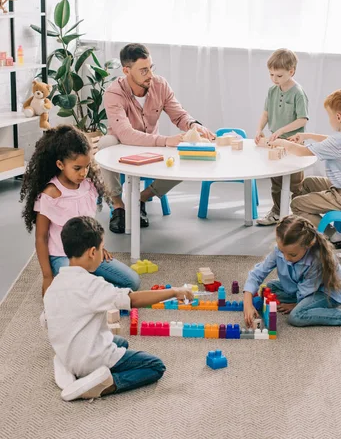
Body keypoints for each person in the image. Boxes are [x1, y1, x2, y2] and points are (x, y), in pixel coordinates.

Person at [43, 216, 194, 401]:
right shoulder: (92, 285)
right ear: (92, 252)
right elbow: (132, 299)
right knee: (155, 366)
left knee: (121, 342)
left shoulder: (55, 285)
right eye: (102, 247)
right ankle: (103, 385)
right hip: (90, 359)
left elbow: (46, 321)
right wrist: (173, 292)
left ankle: (67, 365)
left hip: (68, 352)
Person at [98, 43, 215, 233]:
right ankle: (118, 206)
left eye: (151, 68)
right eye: (143, 70)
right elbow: (125, 134)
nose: (150, 75)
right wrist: (166, 141)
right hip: (121, 143)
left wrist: (194, 125)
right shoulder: (114, 93)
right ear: (126, 70)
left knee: (185, 155)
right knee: (105, 143)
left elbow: (179, 115)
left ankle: (140, 199)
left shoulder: (160, 85)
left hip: (151, 144)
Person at [20, 125, 140, 296]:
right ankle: (89, 287)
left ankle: (92, 285)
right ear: (60, 164)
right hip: (63, 257)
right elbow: (41, 237)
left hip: (89, 253)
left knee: (132, 282)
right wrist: (47, 276)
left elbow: (90, 225)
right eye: (77, 168)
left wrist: (98, 247)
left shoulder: (89, 186)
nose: (83, 173)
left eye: (87, 167)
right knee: (75, 293)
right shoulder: (51, 195)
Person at [270, 89, 341, 252]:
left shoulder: (339, 142)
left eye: (329, 116)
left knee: (296, 204)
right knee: (308, 183)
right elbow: (331, 141)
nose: (329, 120)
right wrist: (307, 136)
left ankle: (336, 239)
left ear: (338, 117)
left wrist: (281, 142)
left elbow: (302, 152)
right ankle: (303, 226)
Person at [243, 215, 341, 330]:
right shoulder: (280, 250)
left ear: (308, 245)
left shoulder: (316, 259)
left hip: (327, 292)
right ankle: (303, 304)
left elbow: (307, 290)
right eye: (282, 252)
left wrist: (296, 305)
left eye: (292, 254)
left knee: (296, 316)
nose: (286, 258)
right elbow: (257, 273)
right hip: (303, 287)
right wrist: (247, 303)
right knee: (270, 288)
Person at [255, 48, 309, 226]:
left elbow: (301, 120)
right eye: (271, 75)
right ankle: (277, 212)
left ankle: (300, 216)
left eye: (278, 75)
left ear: (291, 71)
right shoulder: (272, 91)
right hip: (275, 144)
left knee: (295, 184)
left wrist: (282, 130)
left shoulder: (298, 93)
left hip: (294, 145)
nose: (274, 79)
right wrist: (259, 129)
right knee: (276, 181)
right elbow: (265, 114)